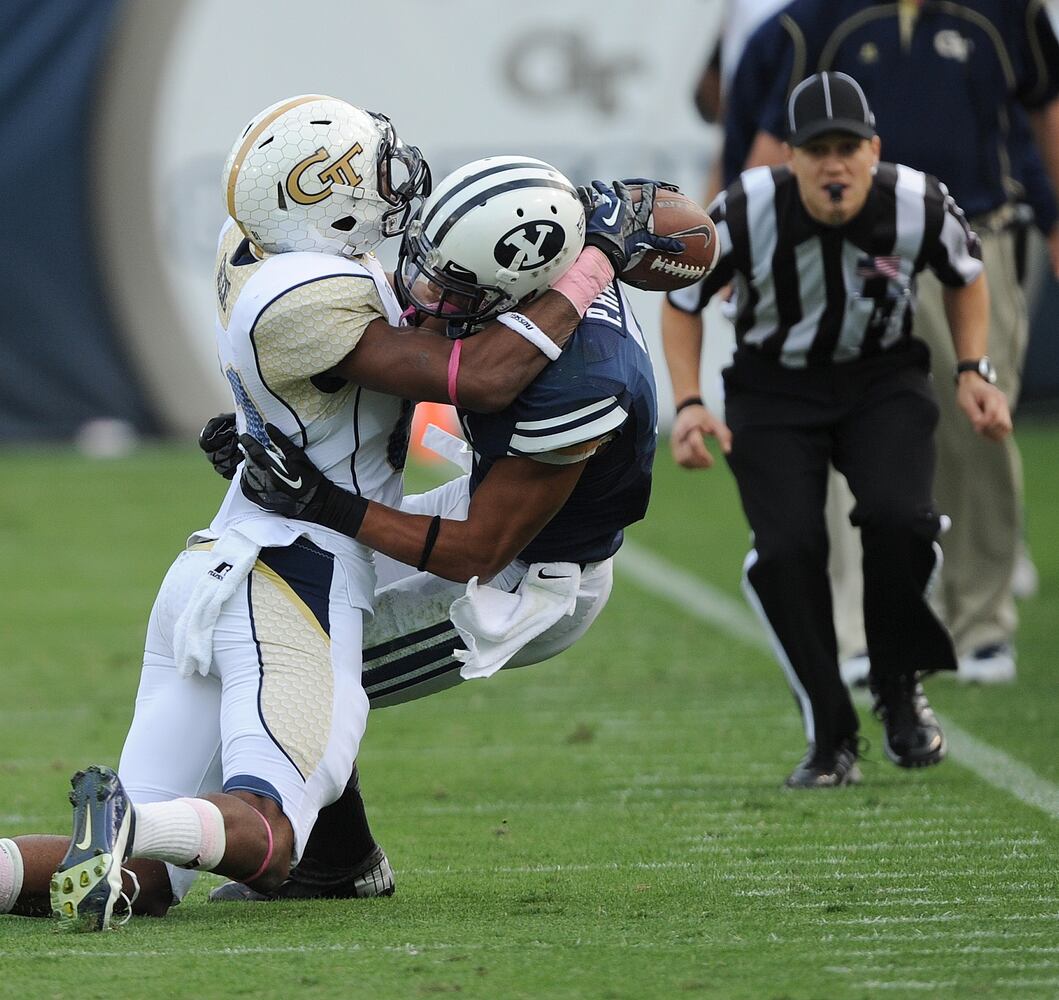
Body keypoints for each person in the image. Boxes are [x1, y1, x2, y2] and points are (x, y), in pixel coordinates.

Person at [0, 96, 672, 929]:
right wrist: (597, 257)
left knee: (151, 875)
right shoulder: (322, 299)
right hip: (329, 573)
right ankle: (289, 855)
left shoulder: (268, 252)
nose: (424, 286)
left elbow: (447, 468)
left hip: (233, 557)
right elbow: (481, 384)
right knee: (264, 818)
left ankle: (328, 862)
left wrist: (281, 444)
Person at [200, 164, 673, 902]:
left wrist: (325, 502)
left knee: (290, 667)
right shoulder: (536, 257)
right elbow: (435, 355)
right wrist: (273, 432)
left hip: (524, 577)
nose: (425, 298)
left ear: (525, 289)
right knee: (267, 615)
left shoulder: (584, 378)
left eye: (455, 292)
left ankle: (335, 862)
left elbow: (475, 550)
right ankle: (336, 857)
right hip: (474, 495)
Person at [661, 72, 1013, 788]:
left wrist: (973, 369)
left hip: (881, 378)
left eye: (846, 148)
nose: (833, 166)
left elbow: (966, 272)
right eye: (816, 150)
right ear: (789, 157)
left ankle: (897, 684)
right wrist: (690, 401)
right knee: (788, 550)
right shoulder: (746, 207)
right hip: (773, 387)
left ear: (873, 150)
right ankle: (830, 733)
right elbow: (682, 299)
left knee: (900, 520)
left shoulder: (915, 201)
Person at [738, 0, 1059, 683]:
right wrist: (742, 253)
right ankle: (856, 630)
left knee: (979, 420)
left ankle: (981, 625)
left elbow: (1045, 108)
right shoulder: (817, 16)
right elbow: (776, 135)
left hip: (975, 238)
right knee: (833, 427)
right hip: (840, 249)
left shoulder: (1010, 9)